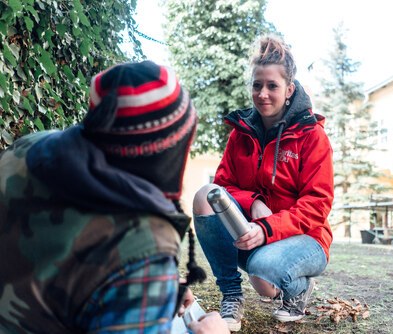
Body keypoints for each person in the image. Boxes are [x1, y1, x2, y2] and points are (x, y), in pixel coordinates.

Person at [0, 60, 229, 333]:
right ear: (171, 149)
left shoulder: (31, 148)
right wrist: (146, 283)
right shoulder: (143, 245)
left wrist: (152, 290)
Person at [193, 35, 334, 332]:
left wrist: (268, 228)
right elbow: (223, 185)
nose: (263, 94)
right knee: (206, 195)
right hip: (254, 231)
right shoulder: (240, 133)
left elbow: (318, 204)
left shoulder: (311, 135)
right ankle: (231, 295)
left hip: (306, 238)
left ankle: (296, 290)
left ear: (289, 90)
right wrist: (253, 202)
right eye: (257, 85)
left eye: (272, 86)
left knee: (264, 277)